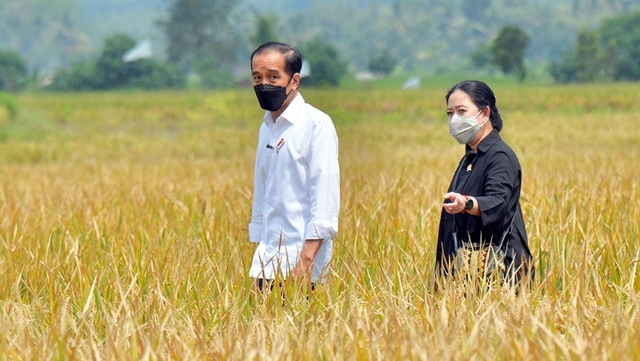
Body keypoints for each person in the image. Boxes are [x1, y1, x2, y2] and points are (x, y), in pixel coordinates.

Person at [247, 42, 340, 292]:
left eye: (273, 76)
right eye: (257, 77)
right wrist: (257, 250)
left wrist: (306, 260)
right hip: (265, 262)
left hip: (301, 264)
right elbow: (262, 192)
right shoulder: (266, 127)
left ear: (294, 81)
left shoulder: (316, 124)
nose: (263, 84)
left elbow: (324, 196)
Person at [434, 80, 534, 289]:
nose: (455, 120)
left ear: (485, 113)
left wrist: (467, 204)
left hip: (500, 274)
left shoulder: (499, 156)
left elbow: (498, 202)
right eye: (450, 113)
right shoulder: (472, 157)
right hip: (470, 273)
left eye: (462, 111)